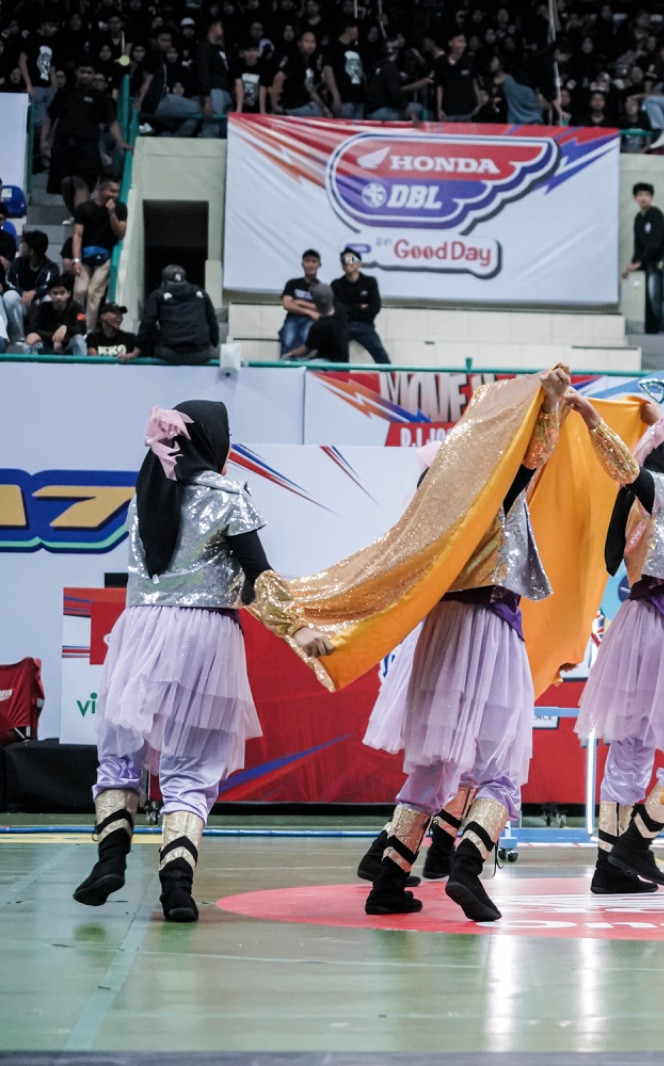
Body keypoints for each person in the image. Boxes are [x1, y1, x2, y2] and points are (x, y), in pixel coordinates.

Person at [75, 401, 334, 922]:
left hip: (140, 629)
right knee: (191, 767)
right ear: (213, 442)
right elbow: (258, 573)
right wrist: (297, 626)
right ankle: (176, 885)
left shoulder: (145, 492)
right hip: (203, 634)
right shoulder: (226, 493)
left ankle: (109, 858)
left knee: (121, 754)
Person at [358, 367, 571, 919]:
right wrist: (549, 403)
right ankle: (468, 869)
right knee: (500, 762)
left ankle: (388, 880)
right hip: (488, 625)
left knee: (431, 767)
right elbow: (536, 457)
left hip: (442, 631)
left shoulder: (439, 483)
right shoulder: (496, 480)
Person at [574, 395, 664, 893]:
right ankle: (631, 847)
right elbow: (623, 465)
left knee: (638, 750)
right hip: (654, 626)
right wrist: (592, 418)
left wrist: (659, 419)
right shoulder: (656, 489)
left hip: (663, 630)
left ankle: (612, 864)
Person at [45, 62, 126, 202]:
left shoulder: (100, 98)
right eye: (82, 72)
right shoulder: (64, 93)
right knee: (65, 184)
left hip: (87, 146)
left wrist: (121, 142)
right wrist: (43, 141)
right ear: (76, 72)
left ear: (94, 75)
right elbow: (50, 118)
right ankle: (79, 216)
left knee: (80, 182)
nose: (85, 75)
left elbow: (112, 122)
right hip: (62, 145)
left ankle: (80, 220)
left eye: (89, 72)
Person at [69, 175, 127, 332]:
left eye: (117, 191)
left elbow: (121, 233)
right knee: (80, 292)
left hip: (105, 258)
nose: (115, 195)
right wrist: (75, 259)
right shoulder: (84, 208)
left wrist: (112, 214)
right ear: (102, 189)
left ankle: (88, 331)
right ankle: (79, 325)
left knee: (94, 293)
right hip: (85, 257)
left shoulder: (120, 208)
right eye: (112, 191)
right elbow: (77, 235)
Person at [135, 265, 220, 365]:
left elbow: (147, 322)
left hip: (170, 354)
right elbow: (212, 321)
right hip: (202, 354)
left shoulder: (157, 294)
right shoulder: (202, 293)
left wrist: (138, 348)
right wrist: (214, 342)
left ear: (164, 281)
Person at [622, 183, 664, 335]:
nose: (643, 198)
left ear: (651, 198)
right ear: (635, 198)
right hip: (651, 261)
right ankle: (657, 327)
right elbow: (639, 244)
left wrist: (640, 262)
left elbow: (655, 243)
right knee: (653, 295)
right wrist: (631, 265)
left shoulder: (656, 214)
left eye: (647, 195)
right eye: (640, 195)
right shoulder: (638, 218)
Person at [330, 249, 390, 364]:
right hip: (343, 325)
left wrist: (349, 309)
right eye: (344, 261)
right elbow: (336, 310)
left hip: (365, 325)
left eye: (352, 259)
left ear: (359, 263)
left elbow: (375, 307)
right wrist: (358, 307)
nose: (348, 263)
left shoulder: (370, 282)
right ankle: (341, 379)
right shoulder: (336, 284)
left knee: (379, 351)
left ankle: (390, 378)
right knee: (335, 350)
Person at [4, 231, 60, 348]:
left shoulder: (51, 267)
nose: (21, 247)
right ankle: (18, 338)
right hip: (21, 303)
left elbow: (49, 284)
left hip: (38, 303)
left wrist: (35, 292)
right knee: (9, 297)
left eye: (24, 245)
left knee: (48, 299)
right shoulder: (17, 263)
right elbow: (9, 281)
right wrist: (23, 293)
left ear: (31, 251)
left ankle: (44, 337)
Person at [24, 278, 86, 354]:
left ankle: (80, 365)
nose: (58, 297)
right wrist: (54, 336)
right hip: (47, 344)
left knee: (79, 340)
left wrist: (66, 328)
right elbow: (32, 328)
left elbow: (82, 328)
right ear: (50, 294)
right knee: (31, 339)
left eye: (62, 293)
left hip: (68, 344)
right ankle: (32, 365)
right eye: (55, 293)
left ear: (68, 294)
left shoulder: (78, 308)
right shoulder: (41, 308)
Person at [278, 250, 321, 355]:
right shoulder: (292, 283)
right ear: (302, 264)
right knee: (288, 337)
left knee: (306, 336)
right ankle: (285, 366)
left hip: (311, 322)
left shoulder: (322, 287)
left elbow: (321, 309)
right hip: (292, 319)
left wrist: (299, 302)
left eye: (314, 261)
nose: (310, 264)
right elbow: (287, 304)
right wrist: (309, 312)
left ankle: (300, 367)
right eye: (307, 261)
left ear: (319, 265)